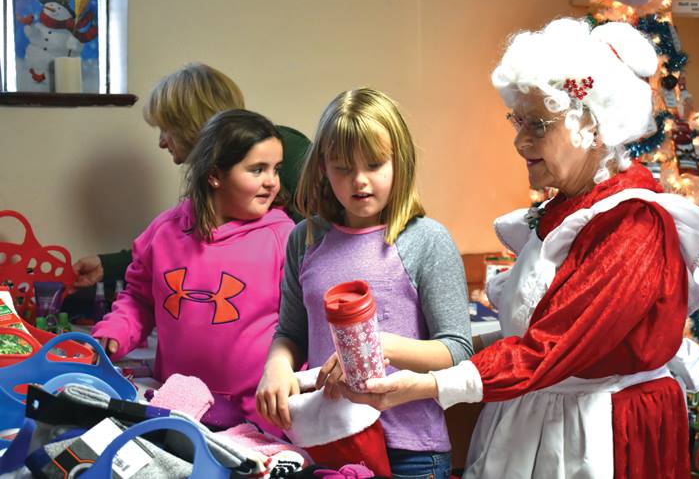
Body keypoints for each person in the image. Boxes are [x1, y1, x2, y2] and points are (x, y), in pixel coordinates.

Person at [341, 19, 699, 479]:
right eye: (518, 121)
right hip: (548, 417)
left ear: (592, 127)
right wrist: (438, 351)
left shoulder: (633, 226)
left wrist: (431, 383)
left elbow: (551, 346)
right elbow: (535, 326)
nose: (520, 141)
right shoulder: (569, 208)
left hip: (598, 433)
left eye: (538, 124)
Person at [255, 88, 473, 478]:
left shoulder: (427, 240)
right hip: (329, 443)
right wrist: (276, 366)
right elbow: (291, 332)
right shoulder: (304, 239)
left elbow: (457, 350)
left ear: (399, 162)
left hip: (411, 451)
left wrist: (376, 346)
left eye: (374, 165)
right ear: (322, 167)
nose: (360, 181)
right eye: (342, 167)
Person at [91, 109, 295, 434]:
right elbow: (140, 299)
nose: (272, 182)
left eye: (276, 169)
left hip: (257, 413)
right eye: (257, 170)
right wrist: (115, 331)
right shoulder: (163, 231)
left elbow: (299, 325)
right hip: (177, 405)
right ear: (215, 175)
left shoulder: (282, 236)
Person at [71, 62, 310, 290]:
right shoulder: (210, 181)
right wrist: (108, 266)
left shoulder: (286, 150)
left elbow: (316, 250)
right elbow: (187, 248)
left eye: (166, 129)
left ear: (190, 125)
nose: (162, 142)